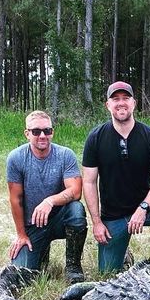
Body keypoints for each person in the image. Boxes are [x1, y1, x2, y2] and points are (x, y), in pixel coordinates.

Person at [82, 81, 150, 276]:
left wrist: (143, 208)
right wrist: (97, 222)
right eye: (115, 99)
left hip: (147, 208)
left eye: (126, 98)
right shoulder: (96, 137)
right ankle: (124, 255)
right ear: (108, 105)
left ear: (134, 103)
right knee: (107, 274)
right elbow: (89, 182)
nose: (121, 103)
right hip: (113, 215)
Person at [5, 110, 88, 283]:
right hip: (33, 223)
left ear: (52, 132)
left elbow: (75, 191)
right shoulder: (16, 158)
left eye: (47, 131)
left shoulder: (65, 155)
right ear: (27, 134)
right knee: (21, 275)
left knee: (76, 209)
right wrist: (21, 234)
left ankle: (73, 266)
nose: (42, 136)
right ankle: (42, 254)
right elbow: (16, 199)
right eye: (36, 131)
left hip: (59, 218)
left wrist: (50, 201)